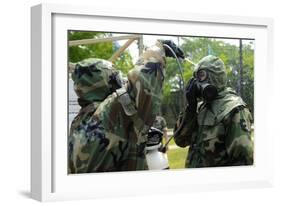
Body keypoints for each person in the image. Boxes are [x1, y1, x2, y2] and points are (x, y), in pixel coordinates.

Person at [68, 40, 184, 173]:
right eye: (116, 78)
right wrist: (159, 48)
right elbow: (143, 80)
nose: (121, 82)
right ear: (107, 82)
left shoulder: (79, 122)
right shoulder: (107, 115)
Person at [173, 55, 253, 168]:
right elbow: (180, 141)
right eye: (195, 77)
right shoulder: (199, 107)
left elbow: (243, 161)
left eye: (201, 75)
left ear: (215, 76)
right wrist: (190, 108)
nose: (197, 82)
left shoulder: (233, 109)